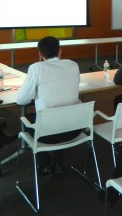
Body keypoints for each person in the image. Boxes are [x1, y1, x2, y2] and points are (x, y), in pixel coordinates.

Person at [16, 36, 81, 174]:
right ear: (60, 51)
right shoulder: (73, 65)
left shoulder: (36, 68)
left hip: (46, 135)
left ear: (39, 54)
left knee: (29, 117)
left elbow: (21, 100)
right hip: (74, 129)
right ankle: (58, 162)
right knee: (61, 115)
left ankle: (44, 162)